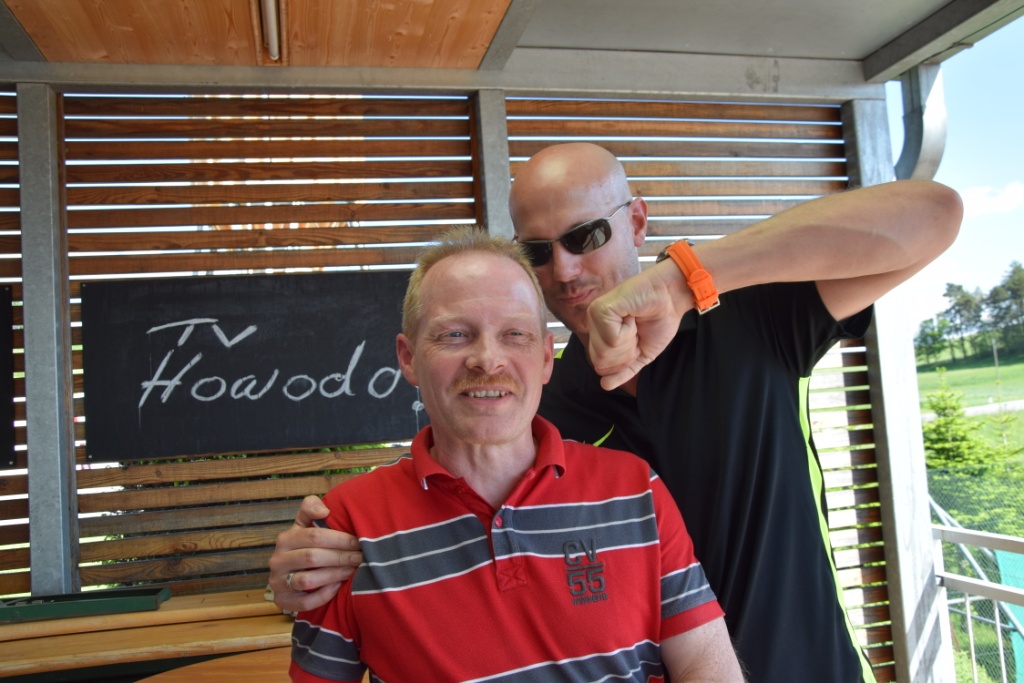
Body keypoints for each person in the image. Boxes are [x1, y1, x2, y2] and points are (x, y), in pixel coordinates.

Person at [272, 143, 963, 682]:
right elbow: (449, 513)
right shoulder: (543, 406)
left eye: (585, 236)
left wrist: (685, 279)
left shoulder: (744, 318)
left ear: (635, 220)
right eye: (538, 252)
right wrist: (320, 557)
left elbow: (935, 213)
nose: (565, 271)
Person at [289, 227, 744, 682]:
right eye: (455, 334)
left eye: (515, 334)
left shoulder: (635, 489)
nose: (488, 360)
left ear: (546, 358)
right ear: (408, 358)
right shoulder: (347, 525)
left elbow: (705, 664)